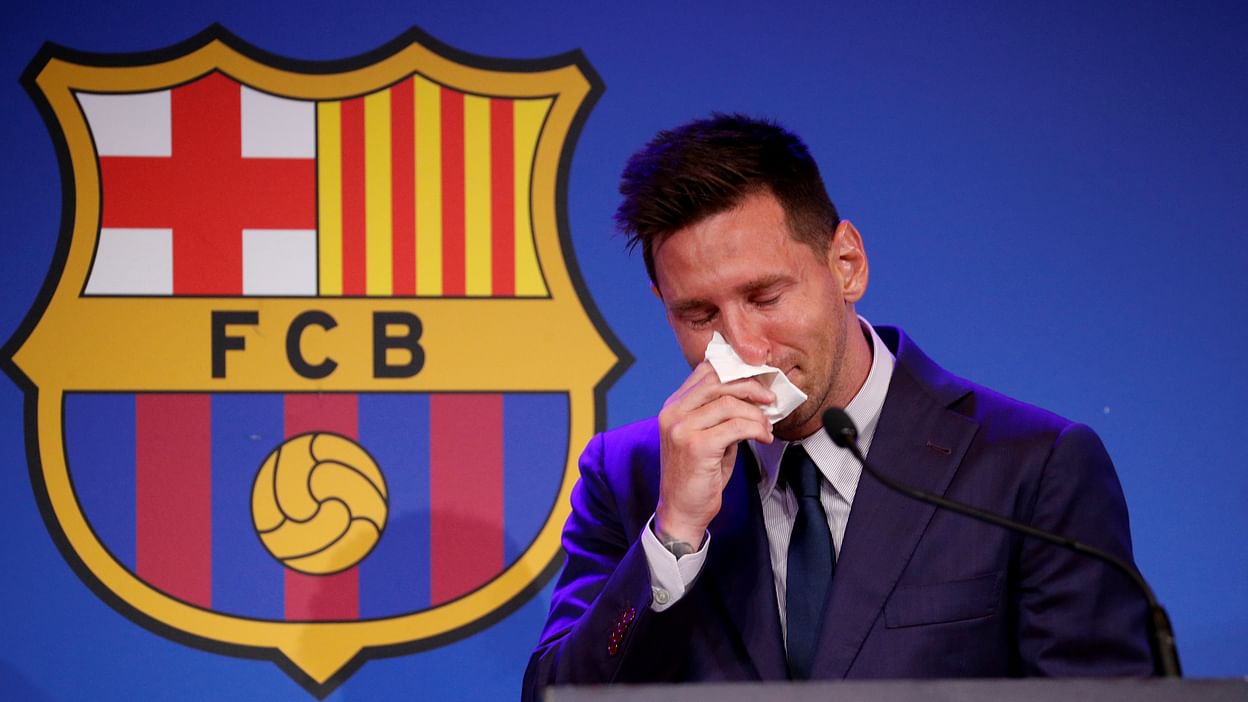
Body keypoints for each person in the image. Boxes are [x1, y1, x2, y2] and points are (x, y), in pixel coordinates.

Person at [523, 114, 1152, 698]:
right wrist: (673, 537)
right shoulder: (629, 477)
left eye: (765, 297)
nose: (744, 347)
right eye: (699, 315)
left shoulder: (1031, 467)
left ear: (846, 264)